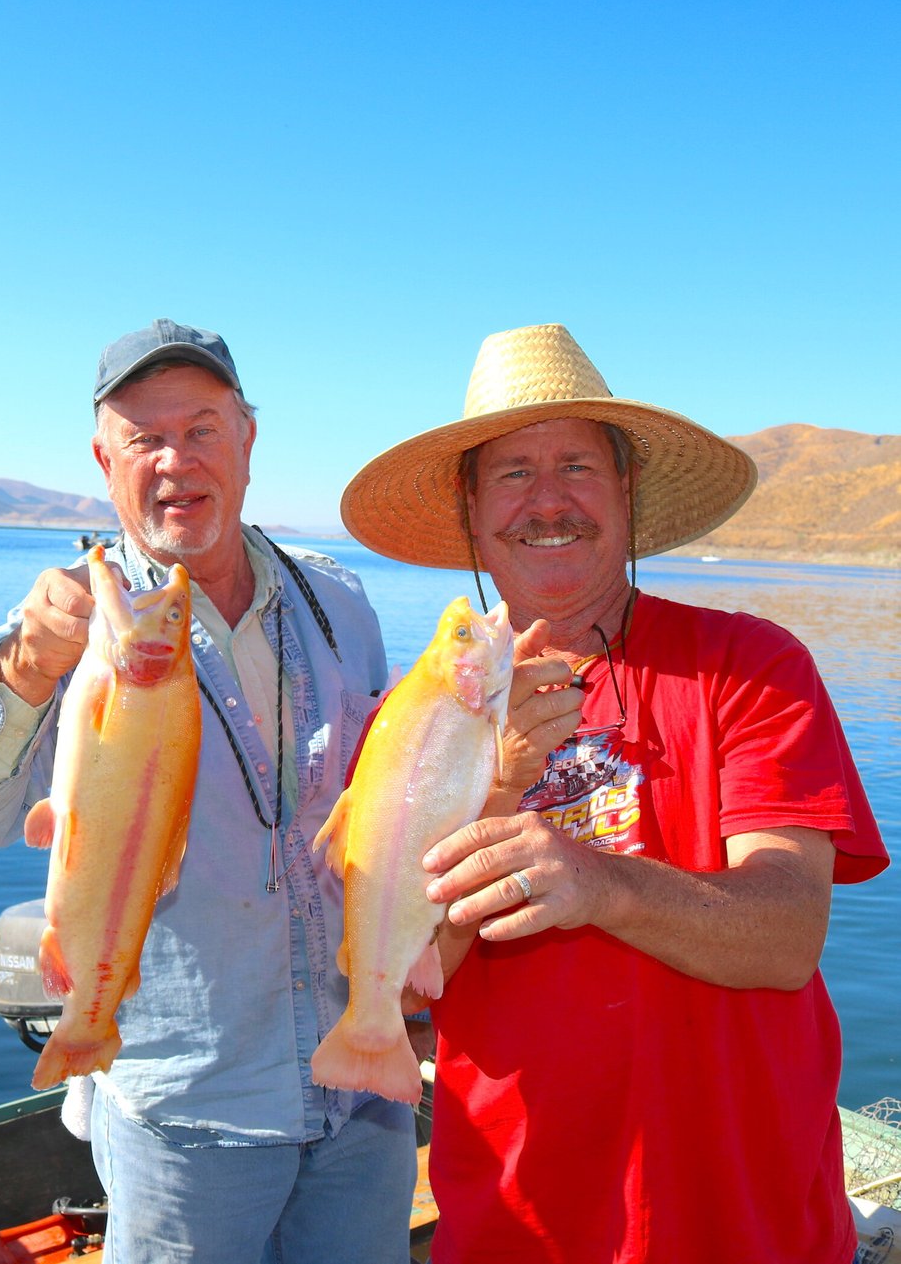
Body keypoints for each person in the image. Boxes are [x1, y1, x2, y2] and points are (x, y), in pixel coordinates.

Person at [341, 323, 888, 1263]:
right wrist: (499, 794)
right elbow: (418, 970)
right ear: (473, 509)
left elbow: (791, 933)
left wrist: (600, 883)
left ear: (627, 490)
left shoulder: (752, 666)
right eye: (512, 472)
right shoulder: (414, 720)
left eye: (576, 467)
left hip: (753, 1226)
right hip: (521, 1226)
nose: (546, 501)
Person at [0, 319, 417, 1261]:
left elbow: (382, 809)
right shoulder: (71, 625)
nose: (174, 461)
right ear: (104, 458)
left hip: (362, 1106)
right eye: (144, 437)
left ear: (247, 442)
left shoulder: (341, 603)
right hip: (187, 1125)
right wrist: (26, 670)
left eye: (200, 428)